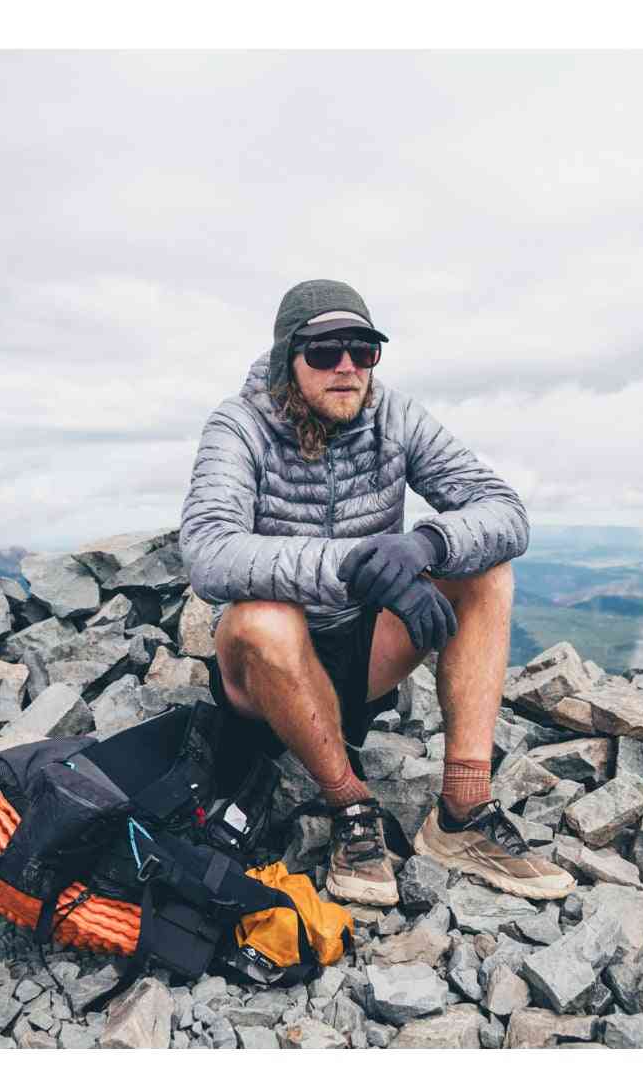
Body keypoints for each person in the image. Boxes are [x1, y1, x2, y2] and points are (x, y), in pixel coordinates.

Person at [179, 278, 574, 909]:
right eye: (324, 351)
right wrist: (359, 565)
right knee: (263, 618)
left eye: (362, 350)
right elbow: (207, 551)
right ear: (287, 358)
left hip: (365, 653)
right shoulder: (239, 425)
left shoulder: (395, 416)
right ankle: (351, 810)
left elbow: (504, 510)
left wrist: (426, 546)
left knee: (487, 571)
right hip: (267, 672)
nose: (346, 367)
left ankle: (462, 814)